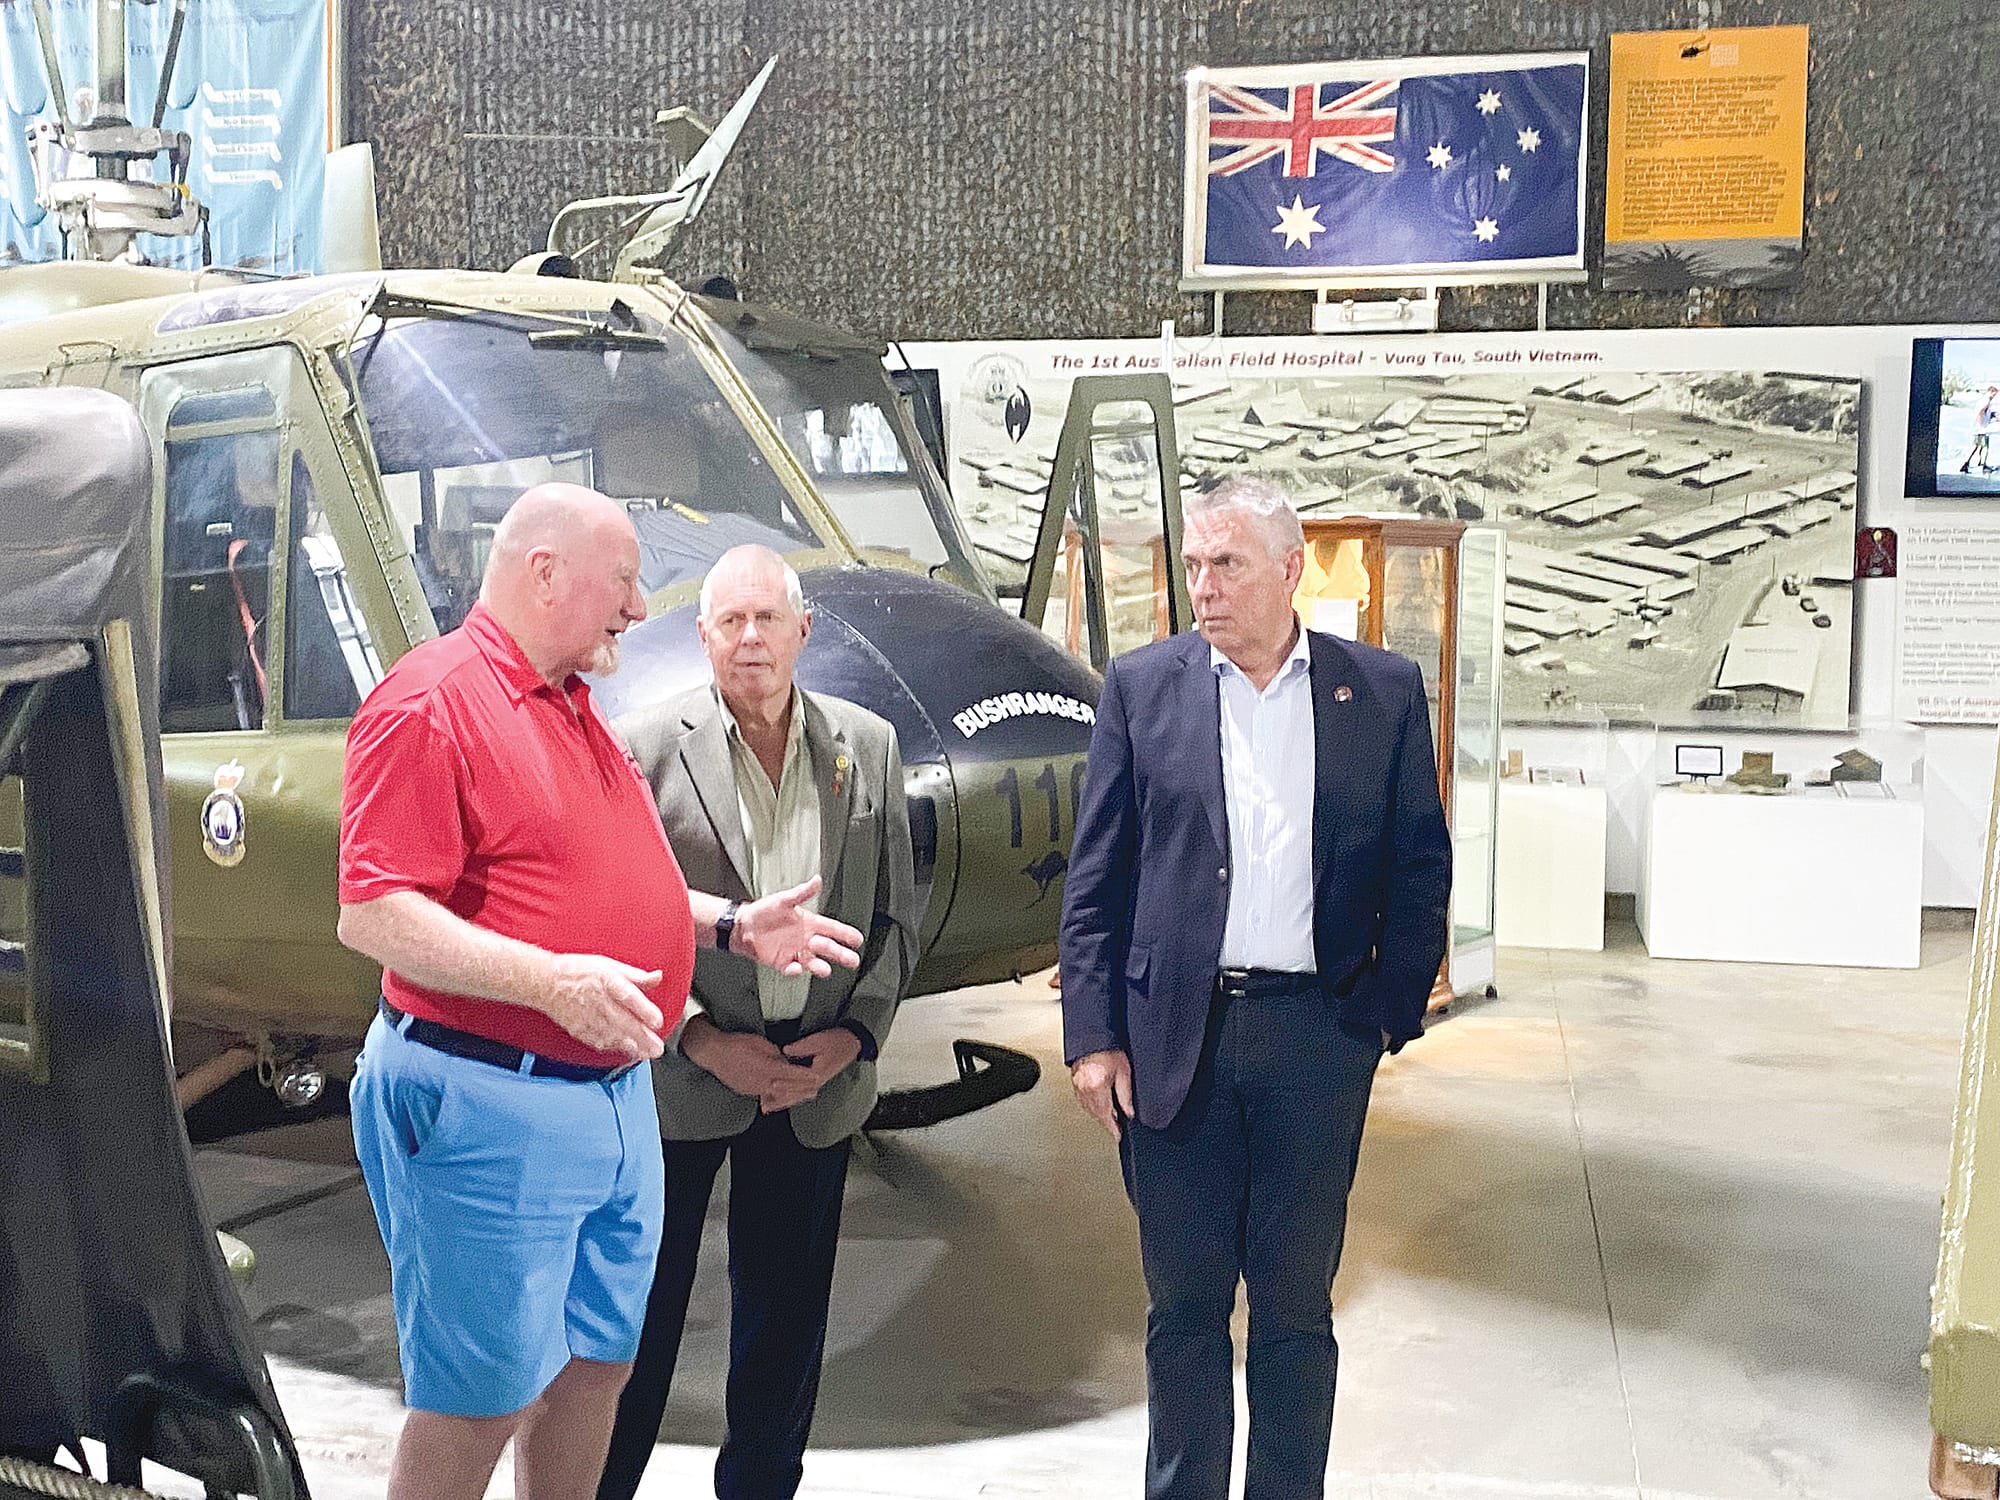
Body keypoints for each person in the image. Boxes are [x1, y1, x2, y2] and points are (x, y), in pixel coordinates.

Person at [337, 486, 865, 1500]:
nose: (636, 605)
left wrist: (723, 925)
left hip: (611, 1100)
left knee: (596, 1368)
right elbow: (376, 911)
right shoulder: (430, 702)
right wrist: (548, 982)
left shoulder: (572, 703)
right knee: (478, 1395)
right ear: (544, 573)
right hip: (490, 1096)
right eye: (623, 580)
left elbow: (600, 874)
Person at [1060, 476, 1452, 1500]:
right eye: (1192, 564)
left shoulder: (1378, 691)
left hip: (1315, 1041)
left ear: (1288, 570)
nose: (1203, 586)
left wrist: (1382, 1019)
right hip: (1172, 1044)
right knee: (1182, 1309)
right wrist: (1091, 1036)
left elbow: (1420, 864)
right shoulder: (1142, 689)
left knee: (1292, 1308)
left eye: (1225, 564)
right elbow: (1094, 877)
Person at [599, 544, 920, 1500]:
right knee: (643, 1325)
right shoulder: (643, 749)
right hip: (686, 1079)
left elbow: (896, 912)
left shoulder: (867, 747)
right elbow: (620, 922)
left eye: (767, 620)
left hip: (813, 1085)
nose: (749, 640)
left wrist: (853, 1038)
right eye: (729, 622)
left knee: (783, 1328)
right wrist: (701, 1036)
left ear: (802, 632)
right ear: (701, 637)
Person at [1960, 385, 1999, 475]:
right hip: (1981, 429)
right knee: (1984, 446)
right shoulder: (1986, 400)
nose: (1995, 396)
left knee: (1976, 446)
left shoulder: (1984, 400)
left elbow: (1984, 412)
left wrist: (1993, 415)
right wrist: (1981, 424)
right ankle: (1982, 465)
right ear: (1991, 392)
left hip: (1978, 428)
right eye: (1994, 394)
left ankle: (1967, 464)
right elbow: (1981, 412)